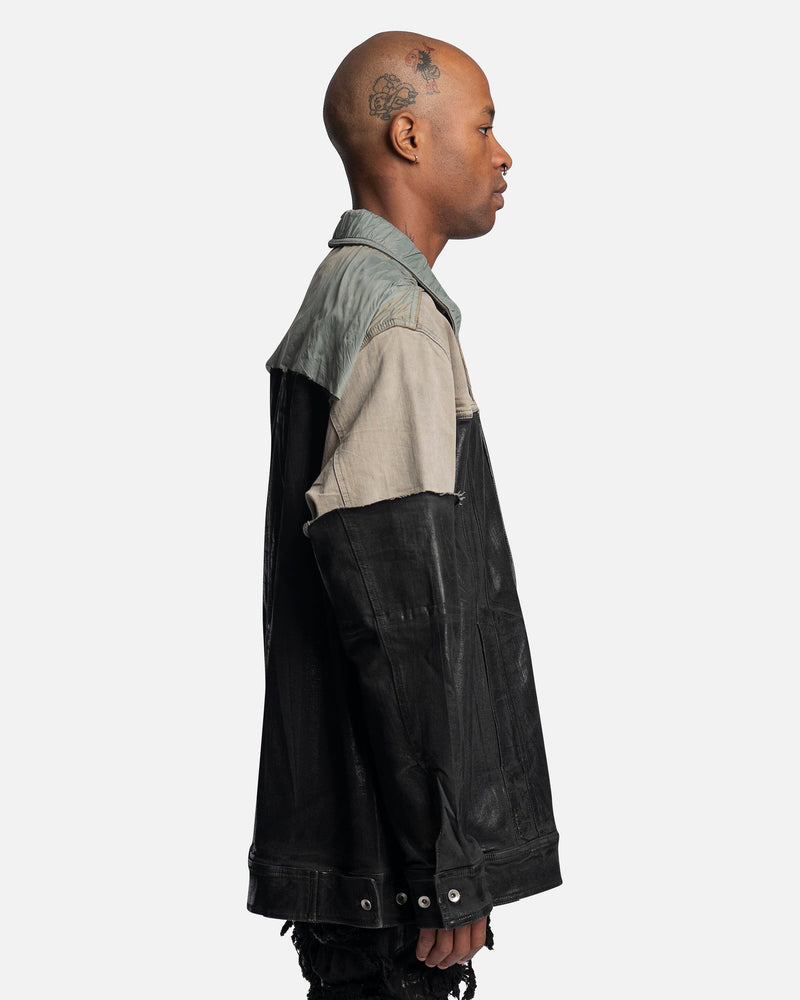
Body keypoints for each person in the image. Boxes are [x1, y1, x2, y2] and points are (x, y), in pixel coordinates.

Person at [247, 29, 562, 999]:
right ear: (409, 138)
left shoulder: (344, 294)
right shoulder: (396, 321)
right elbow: (403, 622)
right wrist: (447, 864)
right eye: (484, 127)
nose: (503, 154)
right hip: (395, 889)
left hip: (364, 870)